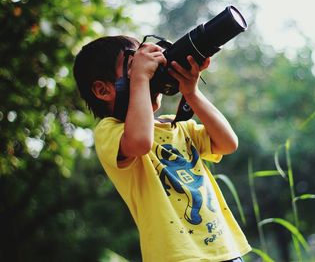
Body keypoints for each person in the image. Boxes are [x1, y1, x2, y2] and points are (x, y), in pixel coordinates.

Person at [73, 35, 251, 261]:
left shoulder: (175, 125)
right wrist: (141, 78)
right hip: (176, 256)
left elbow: (228, 143)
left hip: (223, 249)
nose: (149, 71)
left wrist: (192, 93)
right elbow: (140, 143)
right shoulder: (110, 131)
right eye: (132, 66)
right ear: (102, 90)